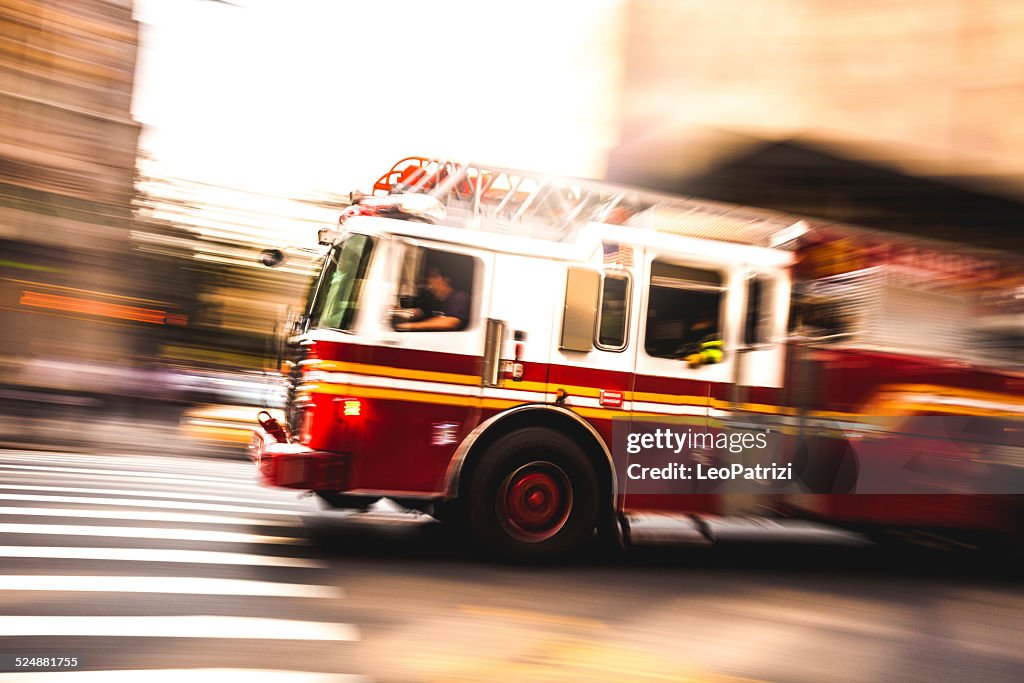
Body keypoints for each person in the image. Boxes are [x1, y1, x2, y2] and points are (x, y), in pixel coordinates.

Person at [395, 266, 470, 331]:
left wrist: (409, 326)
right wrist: (398, 311)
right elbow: (420, 313)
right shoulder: (439, 300)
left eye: (433, 276)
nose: (429, 281)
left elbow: (450, 322)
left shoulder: (460, 297)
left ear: (446, 279)